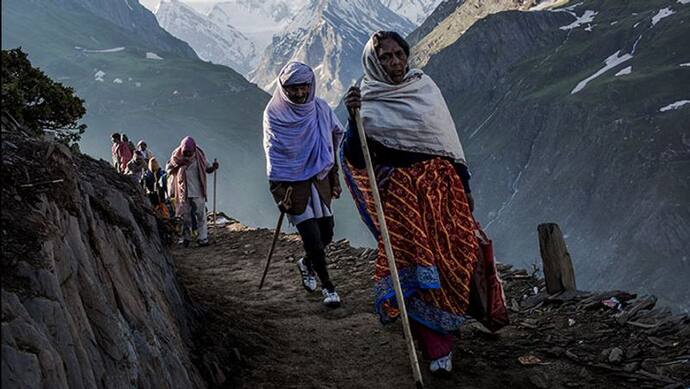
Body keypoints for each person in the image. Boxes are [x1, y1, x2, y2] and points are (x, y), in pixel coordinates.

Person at [342, 31, 478, 374]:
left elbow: (448, 143)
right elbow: (358, 158)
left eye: (399, 54)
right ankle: (436, 348)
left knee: (450, 258)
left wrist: (465, 187)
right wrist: (352, 117)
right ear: (374, 62)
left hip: (444, 194)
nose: (394, 62)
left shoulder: (425, 88)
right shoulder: (368, 100)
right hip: (404, 203)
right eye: (385, 57)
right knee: (417, 267)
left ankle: (447, 320)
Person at [263, 61, 344, 307]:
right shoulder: (274, 114)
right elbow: (274, 155)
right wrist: (279, 192)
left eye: (304, 87)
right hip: (291, 187)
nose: (299, 93)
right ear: (283, 88)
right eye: (293, 89)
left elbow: (332, 140)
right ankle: (328, 288)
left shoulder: (320, 109)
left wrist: (334, 177)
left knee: (327, 232)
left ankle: (307, 263)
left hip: (319, 181)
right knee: (312, 237)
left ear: (311, 85)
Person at [166, 136, 219, 247]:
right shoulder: (177, 156)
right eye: (186, 152)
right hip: (183, 192)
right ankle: (186, 238)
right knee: (185, 218)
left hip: (198, 191)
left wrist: (213, 168)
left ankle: (203, 238)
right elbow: (168, 169)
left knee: (201, 216)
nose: (187, 155)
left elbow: (207, 168)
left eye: (189, 152)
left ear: (194, 150)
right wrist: (179, 164)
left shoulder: (199, 156)